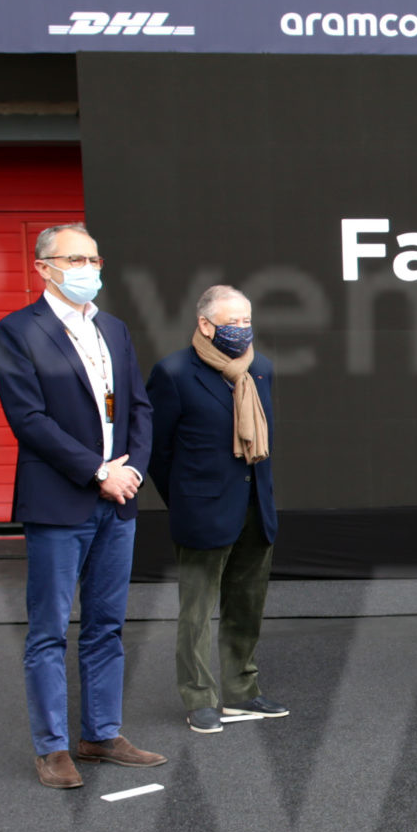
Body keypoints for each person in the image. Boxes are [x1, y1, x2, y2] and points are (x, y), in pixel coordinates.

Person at [0, 223, 165, 789]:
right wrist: (98, 471)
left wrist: (131, 470)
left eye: (93, 259)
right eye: (74, 260)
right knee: (48, 630)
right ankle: (53, 749)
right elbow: (28, 419)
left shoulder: (112, 328)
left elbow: (138, 407)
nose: (87, 269)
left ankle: (101, 735)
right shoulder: (18, 331)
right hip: (59, 501)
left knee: (106, 625)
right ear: (43, 268)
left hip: (118, 500)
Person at [147, 284, 284, 737]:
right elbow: (157, 451)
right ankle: (199, 698)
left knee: (246, 605)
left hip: (254, 506)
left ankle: (242, 692)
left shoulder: (260, 368)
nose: (242, 330)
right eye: (232, 323)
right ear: (205, 325)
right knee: (197, 612)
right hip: (202, 510)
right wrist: (185, 500)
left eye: (247, 321)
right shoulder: (173, 373)